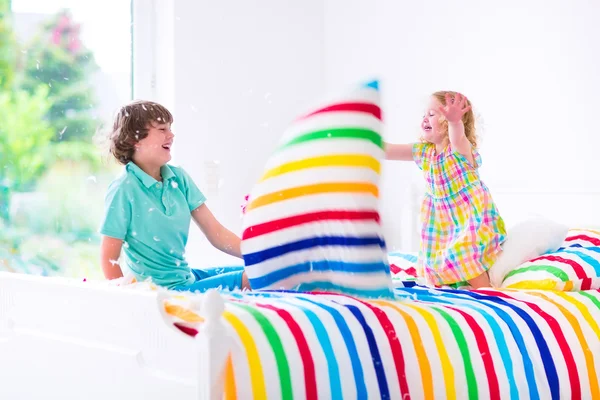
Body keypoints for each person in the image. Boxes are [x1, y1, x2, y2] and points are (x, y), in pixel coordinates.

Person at [98, 100, 250, 292]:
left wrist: (258, 255)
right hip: (161, 292)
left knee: (260, 270)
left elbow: (216, 233)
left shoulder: (178, 178)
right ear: (134, 139)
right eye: (162, 129)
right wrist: (129, 301)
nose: (171, 135)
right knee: (257, 279)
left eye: (170, 128)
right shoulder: (124, 189)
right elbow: (108, 258)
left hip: (185, 278)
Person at [385, 91, 506, 288]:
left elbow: (457, 135)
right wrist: (363, 141)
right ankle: (452, 291)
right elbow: (388, 150)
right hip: (441, 222)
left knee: (465, 255)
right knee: (435, 262)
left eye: (432, 114)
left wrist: (454, 122)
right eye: (424, 114)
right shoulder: (424, 152)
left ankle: (488, 292)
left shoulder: (459, 149)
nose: (425, 118)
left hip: (469, 218)